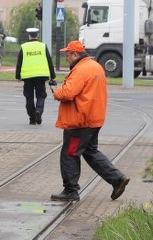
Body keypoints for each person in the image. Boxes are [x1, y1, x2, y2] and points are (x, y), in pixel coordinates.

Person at [50, 40, 129, 202]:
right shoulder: (95, 66)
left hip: (79, 121)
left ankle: (71, 190)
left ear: (75, 54)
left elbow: (68, 93)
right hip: (93, 119)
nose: (67, 58)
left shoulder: (81, 70)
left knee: (70, 154)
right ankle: (117, 179)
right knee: (90, 151)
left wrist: (56, 92)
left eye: (67, 55)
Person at [15, 27, 56, 125]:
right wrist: (52, 75)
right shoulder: (43, 46)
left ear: (29, 36)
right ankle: (38, 111)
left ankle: (32, 118)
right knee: (41, 95)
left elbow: (19, 63)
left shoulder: (24, 47)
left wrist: (18, 76)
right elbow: (49, 61)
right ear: (37, 35)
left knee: (29, 97)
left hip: (28, 76)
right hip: (41, 76)